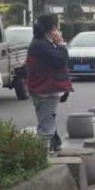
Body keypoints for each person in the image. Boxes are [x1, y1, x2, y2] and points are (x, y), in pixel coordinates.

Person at [25, 12, 71, 152]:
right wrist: (60, 44)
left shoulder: (40, 43)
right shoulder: (42, 45)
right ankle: (42, 155)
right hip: (45, 91)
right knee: (46, 125)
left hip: (44, 89)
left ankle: (54, 144)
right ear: (53, 28)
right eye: (57, 26)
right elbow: (60, 61)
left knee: (48, 120)